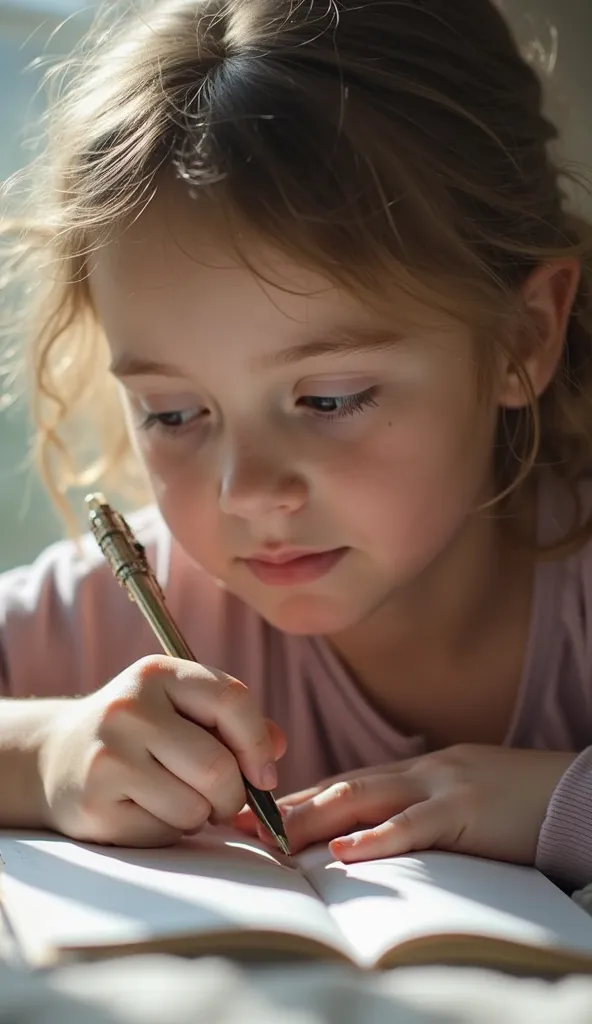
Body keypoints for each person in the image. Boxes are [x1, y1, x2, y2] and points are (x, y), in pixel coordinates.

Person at [1, 0, 592, 893]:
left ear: (523, 335)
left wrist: (565, 802)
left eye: (329, 397)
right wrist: (41, 753)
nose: (246, 491)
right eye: (170, 412)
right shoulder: (114, 619)